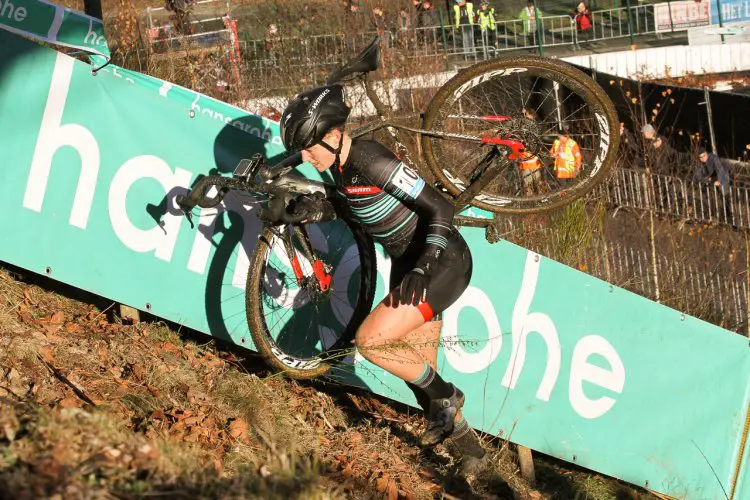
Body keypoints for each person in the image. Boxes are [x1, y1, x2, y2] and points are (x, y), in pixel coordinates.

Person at [276, 85, 486, 474]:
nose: (305, 158)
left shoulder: (370, 158)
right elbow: (356, 206)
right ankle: (471, 455)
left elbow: (439, 206)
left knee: (372, 342)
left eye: (310, 148)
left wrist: (425, 264)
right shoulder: (338, 168)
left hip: (441, 263)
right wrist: (313, 211)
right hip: (409, 264)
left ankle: (450, 395)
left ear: (335, 135)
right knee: (418, 374)